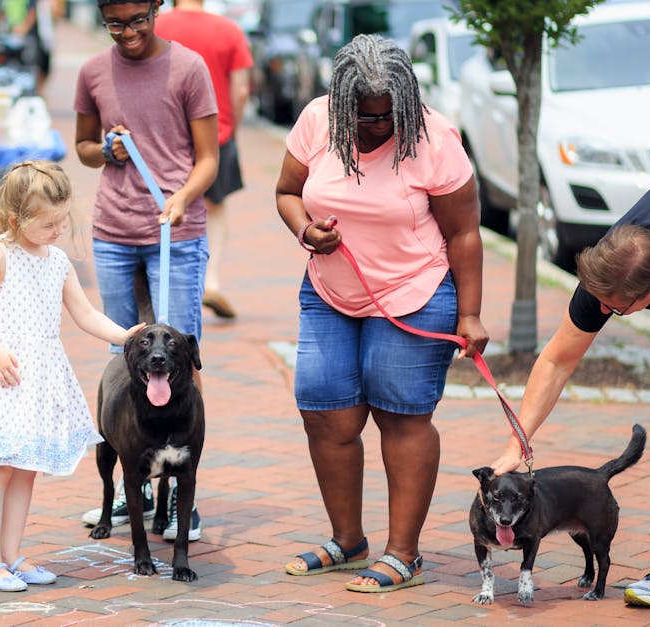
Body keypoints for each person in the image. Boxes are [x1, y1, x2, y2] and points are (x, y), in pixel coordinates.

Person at [274, 34, 487, 593]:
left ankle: (404, 553)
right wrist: (304, 229)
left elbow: (464, 232)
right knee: (326, 412)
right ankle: (348, 540)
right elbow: (287, 192)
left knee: (401, 415)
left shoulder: (433, 138)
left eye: (389, 113)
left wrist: (471, 315)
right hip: (330, 291)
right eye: (365, 117)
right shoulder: (318, 121)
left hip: (415, 293)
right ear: (342, 103)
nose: (378, 125)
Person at [489, 163, 650, 607]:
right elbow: (557, 359)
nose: (605, 310)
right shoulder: (612, 265)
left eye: (617, 308)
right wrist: (518, 442)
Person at [0, 160, 145, 592]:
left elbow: (85, 313)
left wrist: (124, 336)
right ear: (16, 219)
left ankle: (12, 554)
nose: (58, 230)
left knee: (26, 469)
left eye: (62, 219)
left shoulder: (57, 262)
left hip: (38, 379)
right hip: (3, 375)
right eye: (48, 223)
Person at [73, 0, 219, 539]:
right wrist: (106, 151)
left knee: (180, 353)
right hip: (114, 232)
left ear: (157, 9)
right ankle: (131, 484)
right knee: (127, 353)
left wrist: (182, 197)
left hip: (174, 233)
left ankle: (181, 496)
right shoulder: (93, 71)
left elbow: (209, 158)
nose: (128, 33)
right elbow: (83, 147)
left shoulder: (188, 68)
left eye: (137, 20)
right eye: (115, 23)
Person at [154, 0, 253, 320]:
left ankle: (163, 286)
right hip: (216, 132)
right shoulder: (229, 30)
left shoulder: (157, 25)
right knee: (215, 206)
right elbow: (240, 90)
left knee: (164, 204)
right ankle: (211, 281)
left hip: (164, 134)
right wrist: (231, 128)